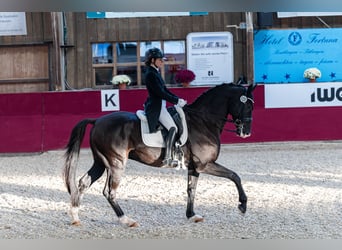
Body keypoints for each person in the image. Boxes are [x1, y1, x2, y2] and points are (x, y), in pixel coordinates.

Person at [143, 47, 187, 167]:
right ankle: (167, 157)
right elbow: (160, 93)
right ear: (152, 60)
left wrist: (177, 100)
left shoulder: (155, 72)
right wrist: (176, 100)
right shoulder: (150, 74)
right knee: (173, 128)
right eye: (160, 60)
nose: (162, 62)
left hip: (162, 105)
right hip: (156, 107)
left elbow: (165, 90)